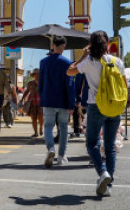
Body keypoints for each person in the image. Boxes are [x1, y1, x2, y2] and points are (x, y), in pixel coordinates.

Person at [67, 30, 127, 197]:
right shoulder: (117, 62)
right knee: (110, 147)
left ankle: (102, 172)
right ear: (107, 44)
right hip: (114, 107)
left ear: (91, 45)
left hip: (96, 106)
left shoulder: (89, 62)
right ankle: (108, 185)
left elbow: (69, 71)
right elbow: (125, 86)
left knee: (92, 143)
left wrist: (81, 56)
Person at [38, 35, 75, 168]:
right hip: (63, 102)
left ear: (53, 46)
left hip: (48, 99)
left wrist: (41, 97)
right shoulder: (68, 63)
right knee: (63, 127)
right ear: (64, 46)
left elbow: (40, 84)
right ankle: (61, 156)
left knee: (48, 126)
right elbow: (70, 85)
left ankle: (51, 149)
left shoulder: (43, 62)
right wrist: (72, 104)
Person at [23, 68, 43, 137]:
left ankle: (41, 128)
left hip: (41, 104)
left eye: (38, 74)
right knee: (33, 118)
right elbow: (27, 91)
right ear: (33, 75)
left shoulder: (43, 83)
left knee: (41, 117)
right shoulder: (30, 83)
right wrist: (22, 98)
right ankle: (36, 132)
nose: (37, 75)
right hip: (32, 103)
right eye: (35, 74)